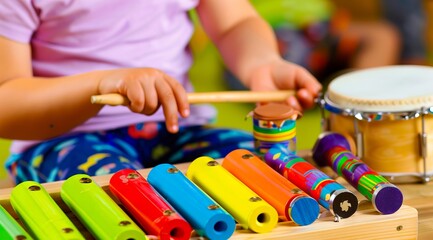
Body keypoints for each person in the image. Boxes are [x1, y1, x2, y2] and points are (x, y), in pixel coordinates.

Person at [0, 0, 321, 184]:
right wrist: (98, 84)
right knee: (123, 193)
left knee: (267, 170)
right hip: (62, 139)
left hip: (177, 128)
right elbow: (7, 101)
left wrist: (262, 63)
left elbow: (234, 24)